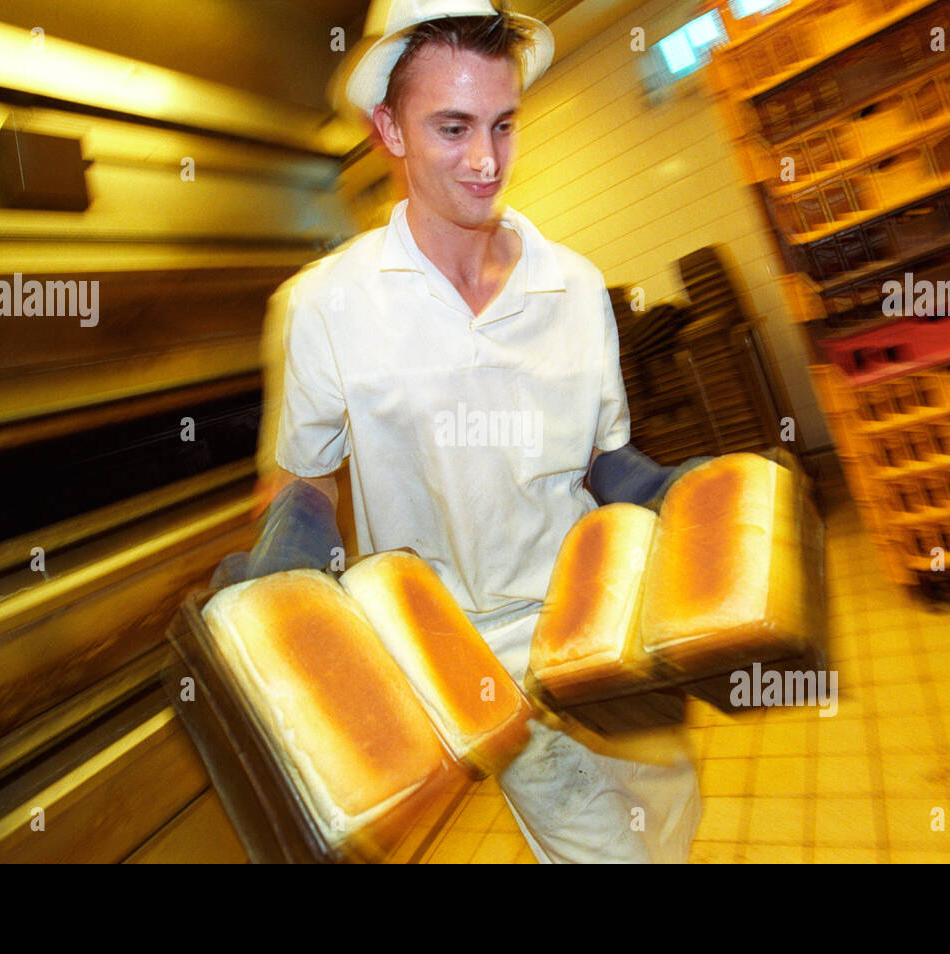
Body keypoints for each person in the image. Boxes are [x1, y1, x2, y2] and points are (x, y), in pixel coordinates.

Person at [231, 0, 704, 863]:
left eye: (503, 124)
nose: (487, 162)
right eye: (452, 128)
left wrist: (677, 493)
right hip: (463, 652)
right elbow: (305, 478)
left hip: (599, 625)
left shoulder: (572, 285)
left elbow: (602, 460)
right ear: (390, 129)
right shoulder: (326, 307)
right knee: (607, 851)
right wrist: (281, 584)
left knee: (668, 813)